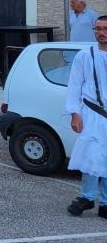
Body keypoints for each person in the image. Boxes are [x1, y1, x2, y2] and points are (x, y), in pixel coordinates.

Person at [66, 15, 107, 217]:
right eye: (97, 29)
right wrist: (75, 114)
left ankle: (106, 203)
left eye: (105, 29)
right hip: (92, 113)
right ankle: (87, 197)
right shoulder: (85, 55)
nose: (101, 33)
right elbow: (74, 85)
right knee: (91, 156)